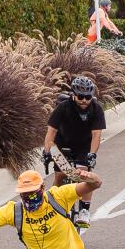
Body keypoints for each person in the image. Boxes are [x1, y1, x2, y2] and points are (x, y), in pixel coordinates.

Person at [43, 75, 104, 227]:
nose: (84, 100)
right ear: (73, 95)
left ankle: (84, 210)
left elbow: (97, 134)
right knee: (60, 175)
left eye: (88, 97)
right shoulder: (63, 107)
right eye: (81, 96)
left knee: (84, 173)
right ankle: (51, 205)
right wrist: (47, 152)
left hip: (84, 144)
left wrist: (92, 154)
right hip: (63, 143)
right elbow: (51, 132)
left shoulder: (96, 108)